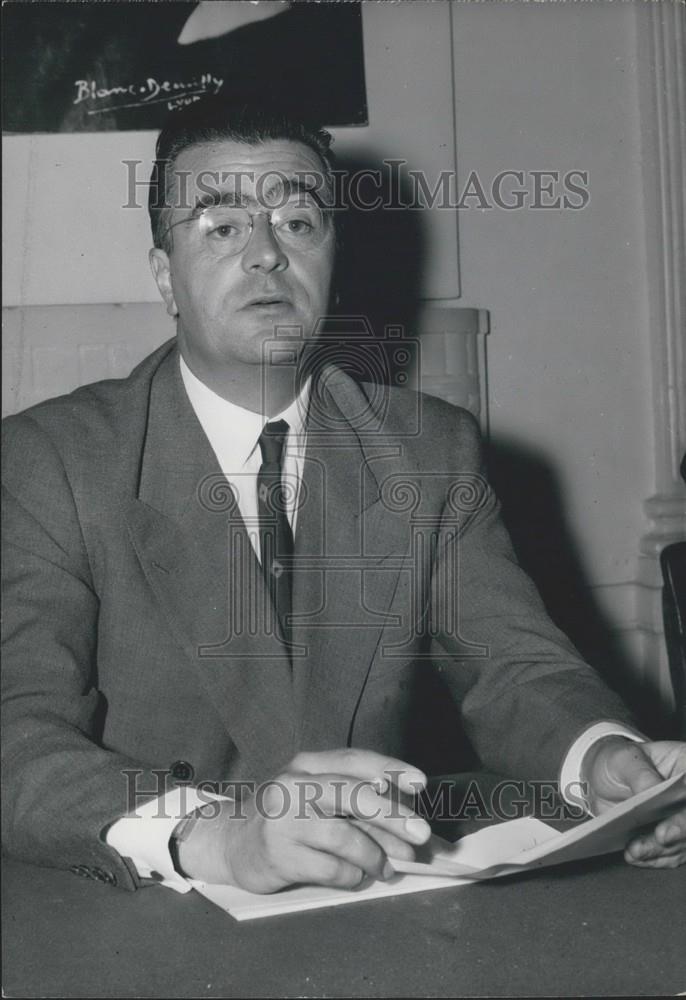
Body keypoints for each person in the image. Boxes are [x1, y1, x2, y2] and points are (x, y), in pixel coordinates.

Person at [2, 99, 684, 895]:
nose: (266, 254)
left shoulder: (429, 451)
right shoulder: (53, 461)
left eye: (298, 222)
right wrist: (214, 834)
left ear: (332, 258)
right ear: (165, 277)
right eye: (222, 227)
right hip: (151, 905)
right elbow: (15, 729)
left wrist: (602, 757)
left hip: (371, 901)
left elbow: (514, 668)